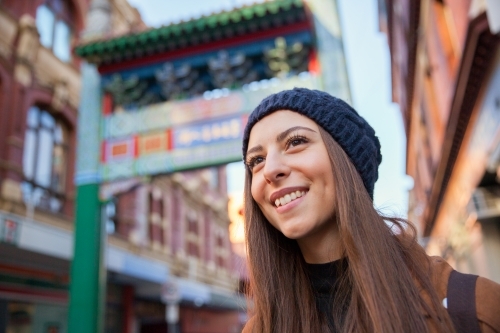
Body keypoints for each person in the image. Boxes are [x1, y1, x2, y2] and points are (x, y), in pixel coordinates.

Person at [240, 88, 500, 333]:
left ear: (348, 161)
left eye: (295, 141)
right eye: (257, 161)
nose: (271, 170)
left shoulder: (474, 308)